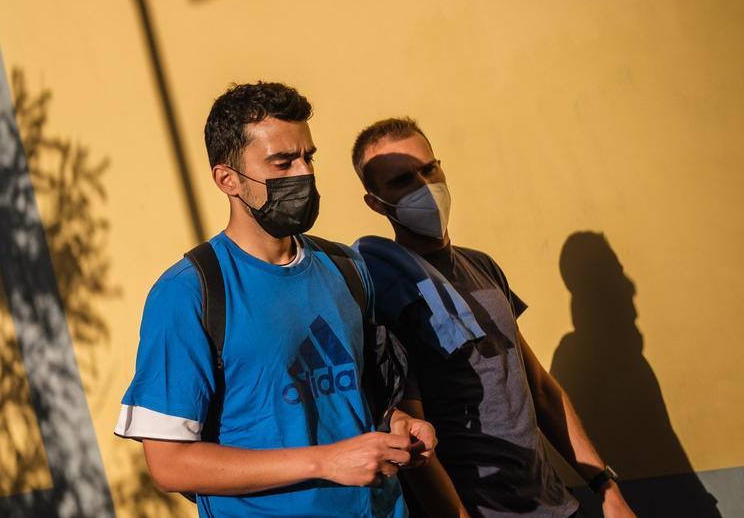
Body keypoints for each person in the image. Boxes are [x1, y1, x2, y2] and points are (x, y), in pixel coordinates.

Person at [115, 82, 436, 517]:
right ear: (227, 179)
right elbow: (170, 464)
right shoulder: (189, 292)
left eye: (308, 157)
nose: (302, 174)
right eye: (282, 163)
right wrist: (326, 461)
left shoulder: (346, 266)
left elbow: (364, 395)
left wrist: (399, 424)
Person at [350, 117, 636, 518]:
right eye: (401, 180)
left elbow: (539, 387)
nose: (424, 186)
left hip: (555, 503)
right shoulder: (391, 287)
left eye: (429, 168)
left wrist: (605, 488)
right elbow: (411, 433)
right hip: (482, 508)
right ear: (376, 203)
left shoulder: (481, 265)